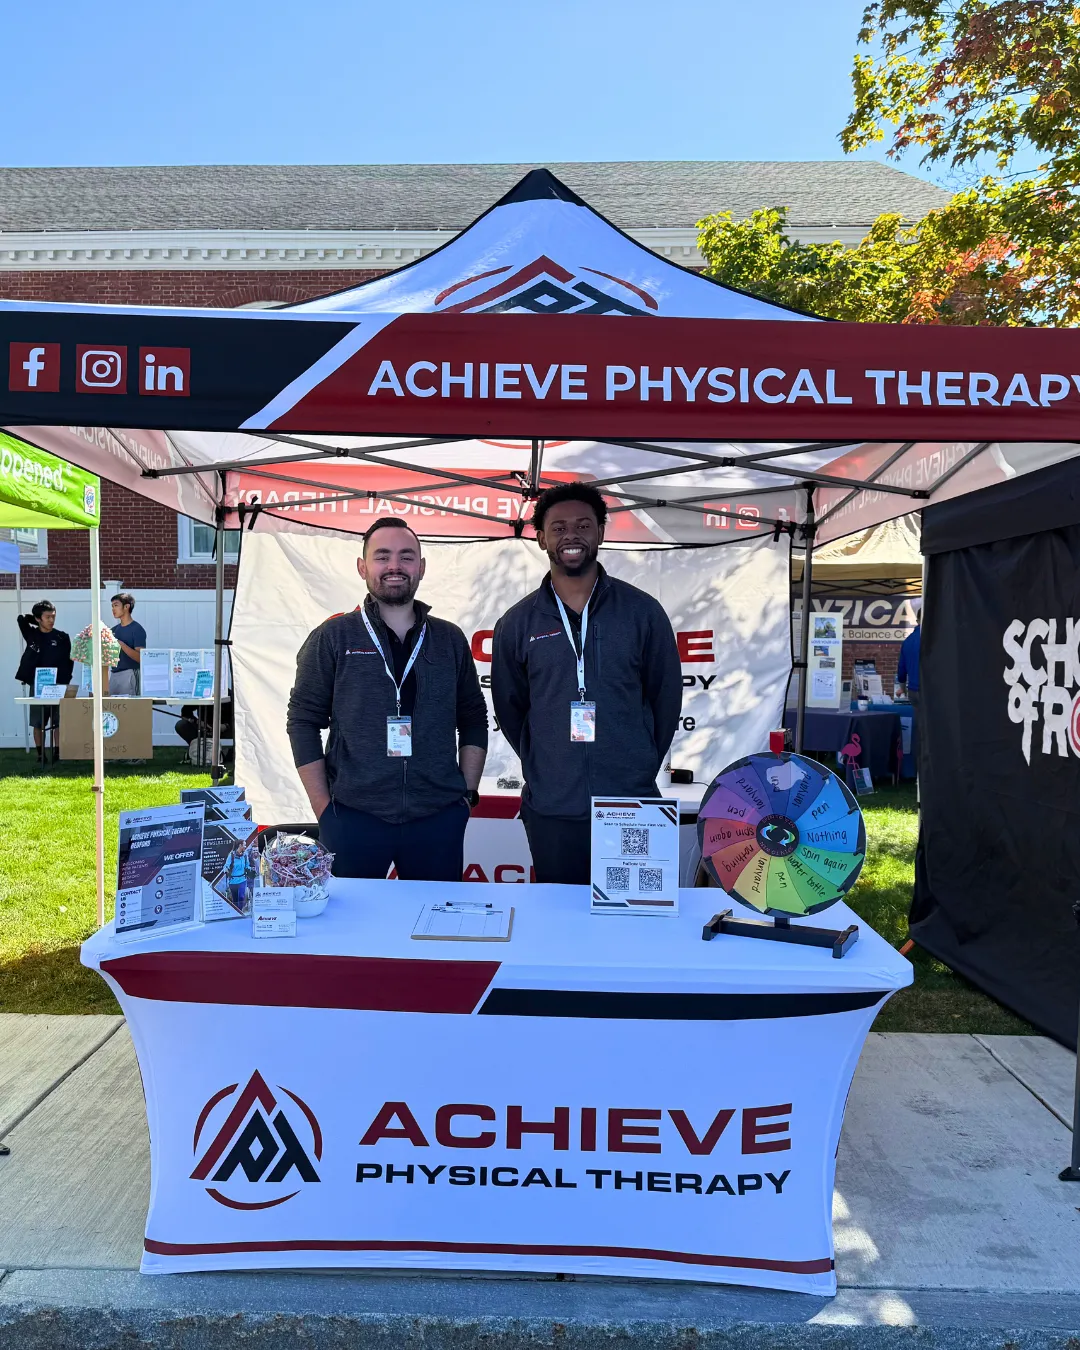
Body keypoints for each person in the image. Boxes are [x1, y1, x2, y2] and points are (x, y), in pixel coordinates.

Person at [491, 482, 683, 884]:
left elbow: (665, 699)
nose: (571, 536)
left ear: (600, 532)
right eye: (558, 528)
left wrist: (640, 762)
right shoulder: (518, 622)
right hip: (552, 809)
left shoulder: (642, 613)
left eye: (583, 525)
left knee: (632, 923)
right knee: (560, 927)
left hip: (631, 802)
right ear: (541, 538)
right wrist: (546, 763)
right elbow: (511, 708)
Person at [286, 518, 488, 881]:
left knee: (432, 928)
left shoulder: (449, 639)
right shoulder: (334, 637)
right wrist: (324, 808)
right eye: (382, 557)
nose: (394, 566)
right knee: (351, 931)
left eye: (406, 556)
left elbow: (473, 717)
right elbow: (302, 721)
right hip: (354, 817)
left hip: (437, 817)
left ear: (421, 567)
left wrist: (466, 795)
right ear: (363, 567)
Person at [16, 600, 73, 757]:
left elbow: (69, 662)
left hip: (59, 685)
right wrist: (33, 618)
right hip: (38, 685)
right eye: (47, 617)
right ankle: (41, 755)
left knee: (58, 722)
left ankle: (57, 753)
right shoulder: (32, 635)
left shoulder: (62, 637)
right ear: (38, 619)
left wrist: (66, 680)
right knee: (38, 722)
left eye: (53, 616)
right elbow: (20, 618)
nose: (51, 620)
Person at [109, 592, 146, 695]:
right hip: (114, 674)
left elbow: (140, 658)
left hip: (130, 674)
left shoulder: (137, 629)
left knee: (130, 709)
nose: (113, 609)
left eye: (116, 605)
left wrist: (121, 644)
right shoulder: (112, 630)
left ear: (126, 606)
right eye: (112, 606)